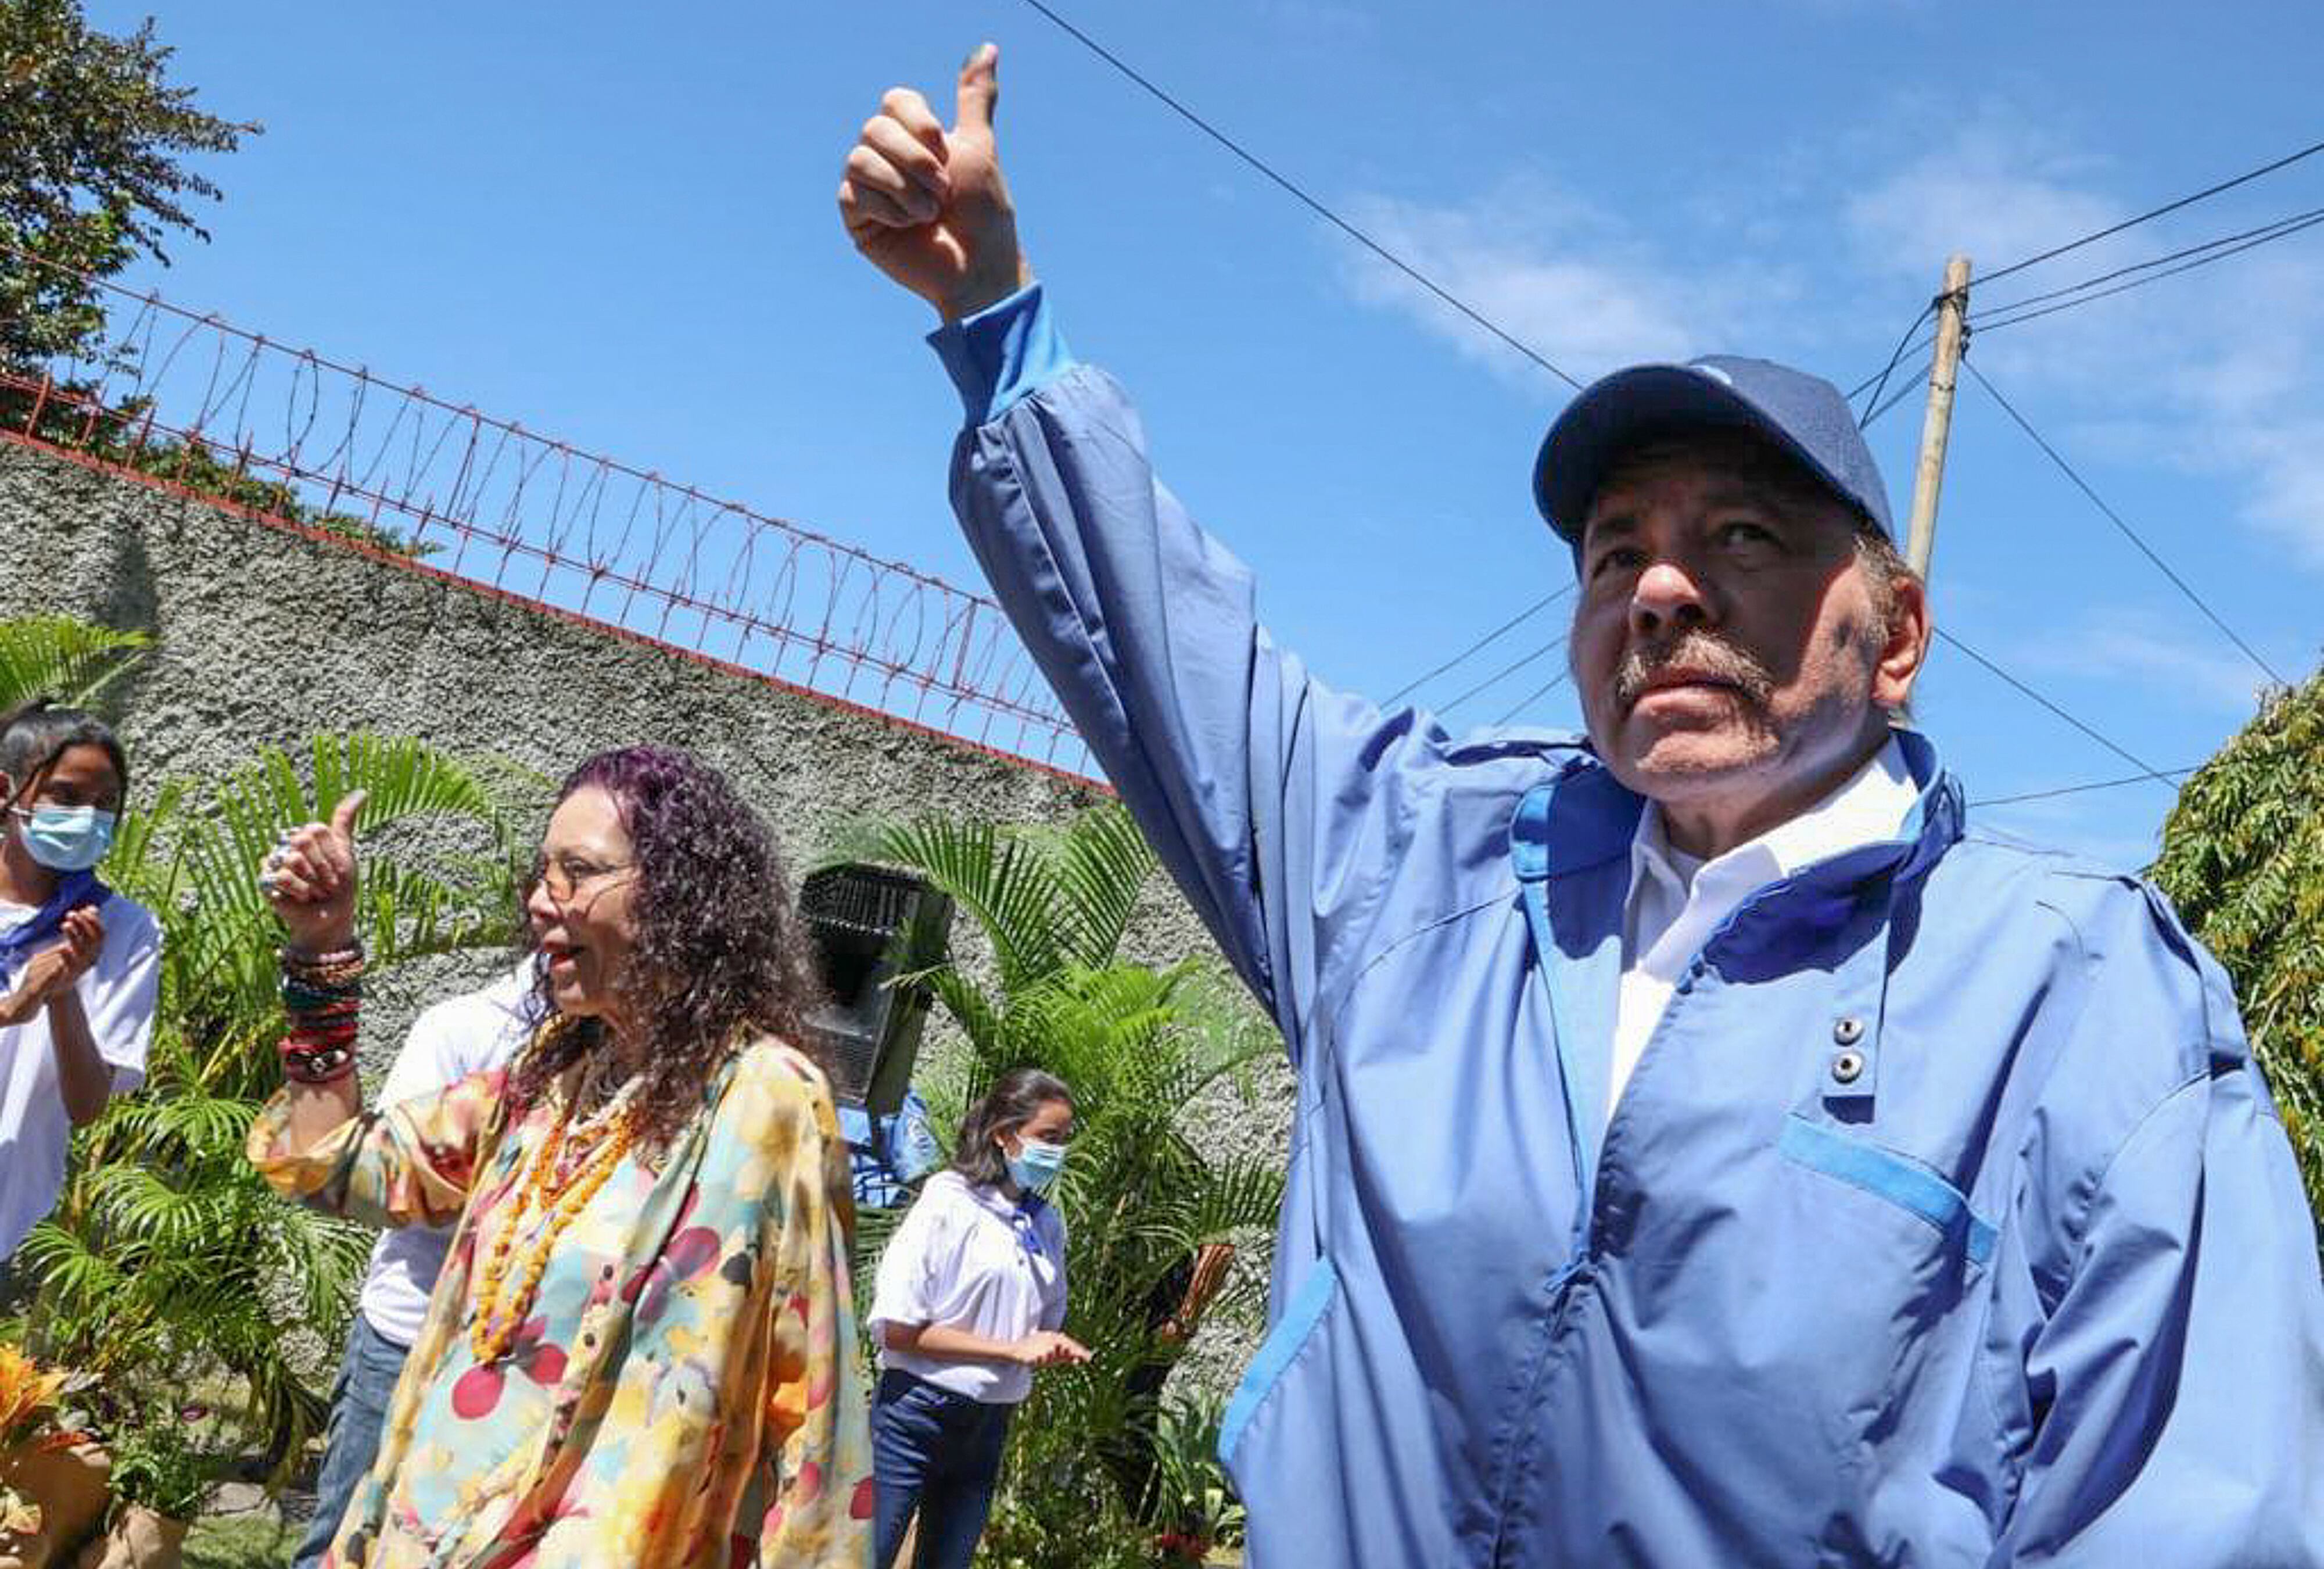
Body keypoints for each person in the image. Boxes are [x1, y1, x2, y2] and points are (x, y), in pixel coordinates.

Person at [837, 49, 2324, 1567]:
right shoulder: (1419, 858)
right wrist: (998, 318)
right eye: (1617, 553)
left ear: (1899, 635)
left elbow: (2190, 1506)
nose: (1661, 588)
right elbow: (1166, 654)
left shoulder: (2078, 995)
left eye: (1741, 535)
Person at [248, 746, 871, 1567]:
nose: (544, 901)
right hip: (424, 1535)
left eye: (578, 872)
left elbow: (815, 1397)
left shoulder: (766, 1104)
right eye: (542, 875)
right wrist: (323, 950)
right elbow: (333, 1162)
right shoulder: (549, 1088)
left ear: (683, 901)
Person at [289, 965, 533, 1569]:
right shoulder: (468, 1026)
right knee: (346, 1542)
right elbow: (372, 1183)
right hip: (408, 1342)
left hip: (534, 1367)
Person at [865, 1067, 1085, 1569]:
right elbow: (899, 1329)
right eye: (1048, 1138)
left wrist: (1052, 1345)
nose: (1058, 1151)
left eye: (1065, 1140)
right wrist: (1010, 1350)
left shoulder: (1044, 1224)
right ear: (1004, 1135)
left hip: (987, 1425)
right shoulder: (947, 1204)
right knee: (866, 1556)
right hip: (914, 1416)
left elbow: (1040, 1326)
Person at [0, 700, 160, 1270]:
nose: (89, 817)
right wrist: (13, 1006)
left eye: (106, 804)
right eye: (67, 797)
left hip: (11, 1215)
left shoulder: (123, 929)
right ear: (7, 792)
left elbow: (88, 1104)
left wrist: (64, 994)